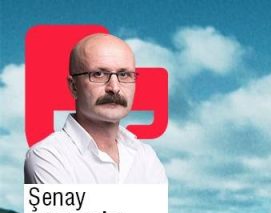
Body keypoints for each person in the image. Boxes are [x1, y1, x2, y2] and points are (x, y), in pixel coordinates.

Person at [24, 33, 166, 184]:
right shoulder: (47, 156)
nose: (114, 88)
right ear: (73, 86)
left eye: (124, 74)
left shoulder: (146, 157)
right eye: (98, 74)